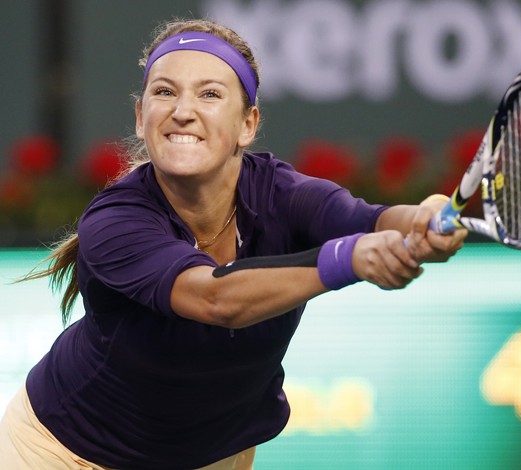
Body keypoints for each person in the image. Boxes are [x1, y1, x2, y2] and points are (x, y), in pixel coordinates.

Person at [0, 17, 467, 470]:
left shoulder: (285, 194)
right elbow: (216, 298)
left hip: (213, 456)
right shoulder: (116, 220)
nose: (183, 110)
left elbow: (374, 220)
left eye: (209, 94)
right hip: (63, 454)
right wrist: (348, 260)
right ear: (142, 118)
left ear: (248, 124)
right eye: (165, 92)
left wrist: (423, 221)